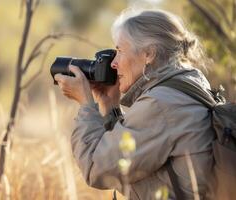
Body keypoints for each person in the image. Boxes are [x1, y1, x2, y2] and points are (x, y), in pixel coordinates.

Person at [54, 9, 215, 199]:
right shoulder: (187, 85)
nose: (113, 63)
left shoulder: (161, 103)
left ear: (149, 54)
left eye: (120, 51)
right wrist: (109, 105)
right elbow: (128, 160)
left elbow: (96, 168)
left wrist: (86, 105)